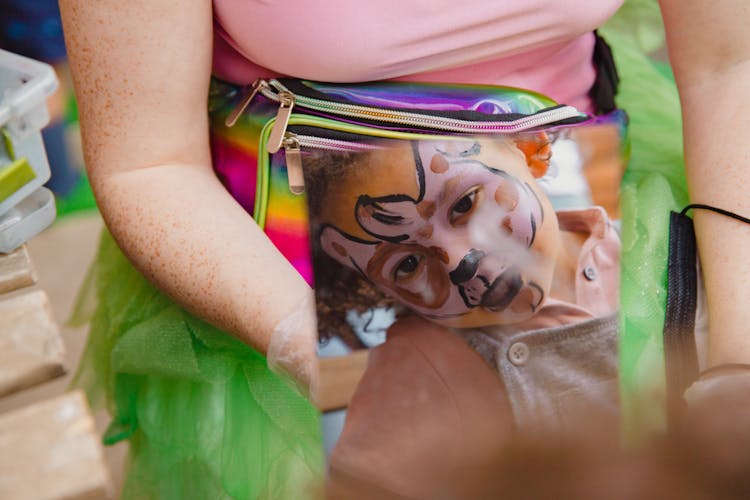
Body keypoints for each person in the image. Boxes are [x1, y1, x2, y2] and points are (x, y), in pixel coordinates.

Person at [58, 0, 750, 497]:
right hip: (280, 298)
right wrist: (331, 362)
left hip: (610, 234)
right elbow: (147, 163)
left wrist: (738, 363)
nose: (464, 264)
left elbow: (730, 67)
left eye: (466, 208)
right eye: (412, 258)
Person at [302, 135, 621, 497]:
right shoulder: (416, 367)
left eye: (465, 204)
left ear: (530, 148)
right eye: (407, 264)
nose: (459, 264)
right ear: (378, 287)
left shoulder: (656, 251)